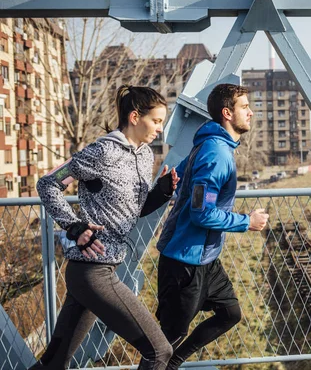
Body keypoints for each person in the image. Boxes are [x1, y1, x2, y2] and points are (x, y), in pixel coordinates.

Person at [31, 85, 179, 370]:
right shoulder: (102, 151)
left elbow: (136, 210)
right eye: (157, 121)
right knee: (160, 352)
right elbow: (48, 184)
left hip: (98, 269)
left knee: (53, 363)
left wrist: (160, 192)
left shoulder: (145, 155)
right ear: (135, 117)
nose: (160, 129)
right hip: (92, 271)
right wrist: (74, 226)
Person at [154, 83, 269, 369]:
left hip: (205, 259)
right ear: (227, 113)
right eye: (245, 107)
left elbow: (181, 179)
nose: (251, 113)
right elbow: (201, 213)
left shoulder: (213, 147)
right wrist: (247, 222)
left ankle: (175, 362)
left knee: (230, 313)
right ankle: (166, 362)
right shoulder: (215, 153)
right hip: (184, 262)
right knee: (166, 340)